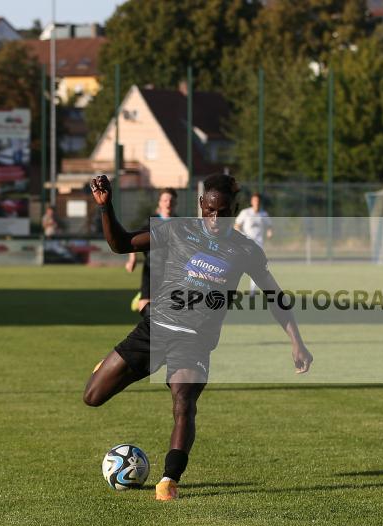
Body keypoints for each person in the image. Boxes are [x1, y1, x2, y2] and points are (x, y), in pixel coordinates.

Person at [84, 174, 312, 501]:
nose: (216, 219)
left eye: (224, 212)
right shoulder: (178, 230)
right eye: (210, 211)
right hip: (155, 329)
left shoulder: (246, 249)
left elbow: (274, 296)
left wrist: (296, 341)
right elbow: (121, 244)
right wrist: (106, 208)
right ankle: (115, 366)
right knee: (92, 397)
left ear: (235, 209)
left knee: (184, 403)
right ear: (201, 205)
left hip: (193, 341)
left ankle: (168, 480)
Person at [126, 189, 177, 313]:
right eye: (165, 200)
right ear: (159, 203)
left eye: (171, 200)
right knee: (145, 308)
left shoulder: (180, 224)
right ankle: (142, 297)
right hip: (151, 269)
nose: (168, 203)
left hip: (171, 272)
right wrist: (132, 259)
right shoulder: (152, 222)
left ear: (176, 203)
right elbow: (135, 239)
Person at [234, 193, 273, 294]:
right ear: (252, 202)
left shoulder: (263, 214)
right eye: (255, 200)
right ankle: (232, 289)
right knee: (238, 266)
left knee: (257, 267)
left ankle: (252, 291)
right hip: (246, 245)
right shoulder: (245, 212)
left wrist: (269, 232)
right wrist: (241, 235)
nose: (256, 203)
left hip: (258, 245)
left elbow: (269, 226)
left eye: (258, 201)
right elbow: (237, 225)